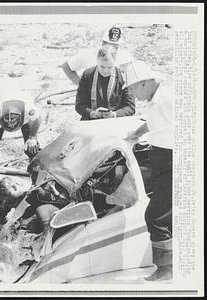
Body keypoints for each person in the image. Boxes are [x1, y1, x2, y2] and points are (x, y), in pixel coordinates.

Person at [124, 60, 173, 281]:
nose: (132, 94)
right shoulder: (155, 101)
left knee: (155, 217)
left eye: (133, 89)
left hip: (173, 162)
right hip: (161, 160)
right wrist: (137, 132)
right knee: (165, 214)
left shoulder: (169, 100)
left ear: (143, 84)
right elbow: (154, 122)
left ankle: (166, 270)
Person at [0, 96, 42, 181]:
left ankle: (35, 169)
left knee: (31, 146)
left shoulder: (29, 110)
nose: (11, 125)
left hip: (26, 119)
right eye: (7, 121)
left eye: (13, 121)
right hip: (2, 116)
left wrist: (32, 137)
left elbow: (37, 120)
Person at [75, 45, 135, 120]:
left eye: (110, 67)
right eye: (102, 67)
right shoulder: (87, 75)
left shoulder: (123, 77)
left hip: (116, 120)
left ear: (115, 62)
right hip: (92, 120)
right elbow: (79, 105)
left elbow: (130, 107)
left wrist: (114, 114)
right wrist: (92, 113)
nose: (106, 71)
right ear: (97, 61)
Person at [61, 26, 133, 86]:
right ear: (103, 43)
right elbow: (66, 66)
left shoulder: (126, 57)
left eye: (115, 47)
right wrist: (82, 86)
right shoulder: (89, 54)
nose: (111, 50)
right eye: (109, 46)